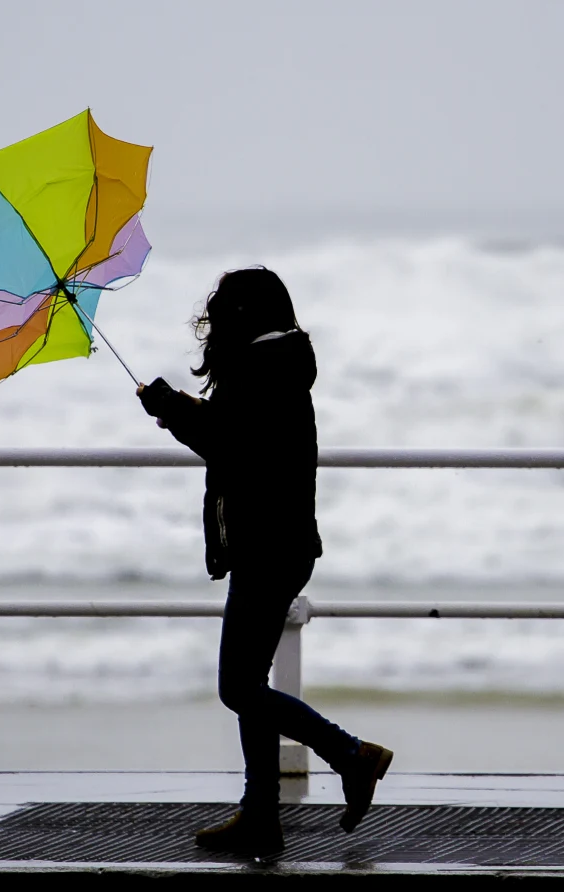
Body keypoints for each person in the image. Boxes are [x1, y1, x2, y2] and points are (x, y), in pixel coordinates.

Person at [136, 266, 392, 859]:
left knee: (236, 688)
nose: (213, 325)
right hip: (278, 545)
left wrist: (168, 405)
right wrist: (179, 408)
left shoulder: (262, 370)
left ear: (241, 316)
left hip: (269, 549)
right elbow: (236, 434)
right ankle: (260, 815)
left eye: (220, 313)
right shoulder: (274, 365)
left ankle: (351, 755)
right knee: (250, 684)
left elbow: (227, 442)